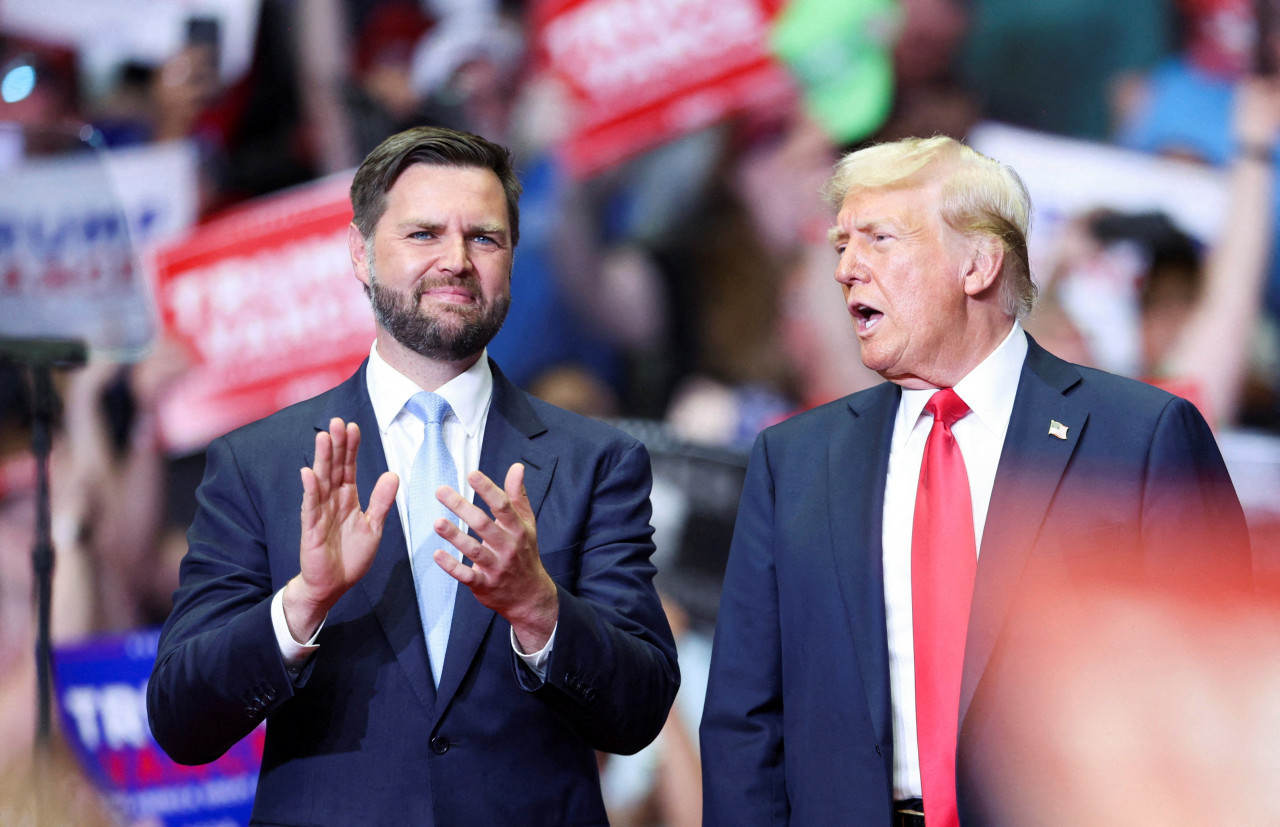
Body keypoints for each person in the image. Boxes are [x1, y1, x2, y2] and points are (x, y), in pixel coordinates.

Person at [698, 136, 1251, 826]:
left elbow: (1212, 706)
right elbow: (744, 722)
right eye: (841, 244)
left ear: (978, 264)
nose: (846, 268)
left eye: (878, 239)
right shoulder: (795, 460)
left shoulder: (1140, 440)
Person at [147, 126, 679, 825]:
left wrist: (538, 606)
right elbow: (182, 720)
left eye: (484, 238)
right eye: (424, 234)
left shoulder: (597, 460)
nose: (457, 260)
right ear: (360, 255)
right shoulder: (260, 462)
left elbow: (639, 709)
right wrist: (303, 603)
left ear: (513, 258)